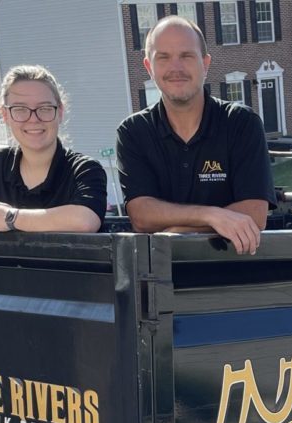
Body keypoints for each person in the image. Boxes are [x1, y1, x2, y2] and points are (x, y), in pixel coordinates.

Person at [116, 16, 275, 255]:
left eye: (186, 56)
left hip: (233, 273)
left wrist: (178, 230)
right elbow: (141, 215)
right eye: (164, 57)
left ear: (206, 63)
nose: (175, 68)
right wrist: (211, 215)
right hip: (161, 280)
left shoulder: (241, 123)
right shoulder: (133, 132)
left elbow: (254, 212)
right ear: (149, 67)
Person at [0, 65, 106, 233]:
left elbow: (85, 221)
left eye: (44, 108)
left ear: (60, 112)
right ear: (5, 115)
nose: (33, 119)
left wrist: (10, 218)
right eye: (20, 109)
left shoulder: (84, 169)